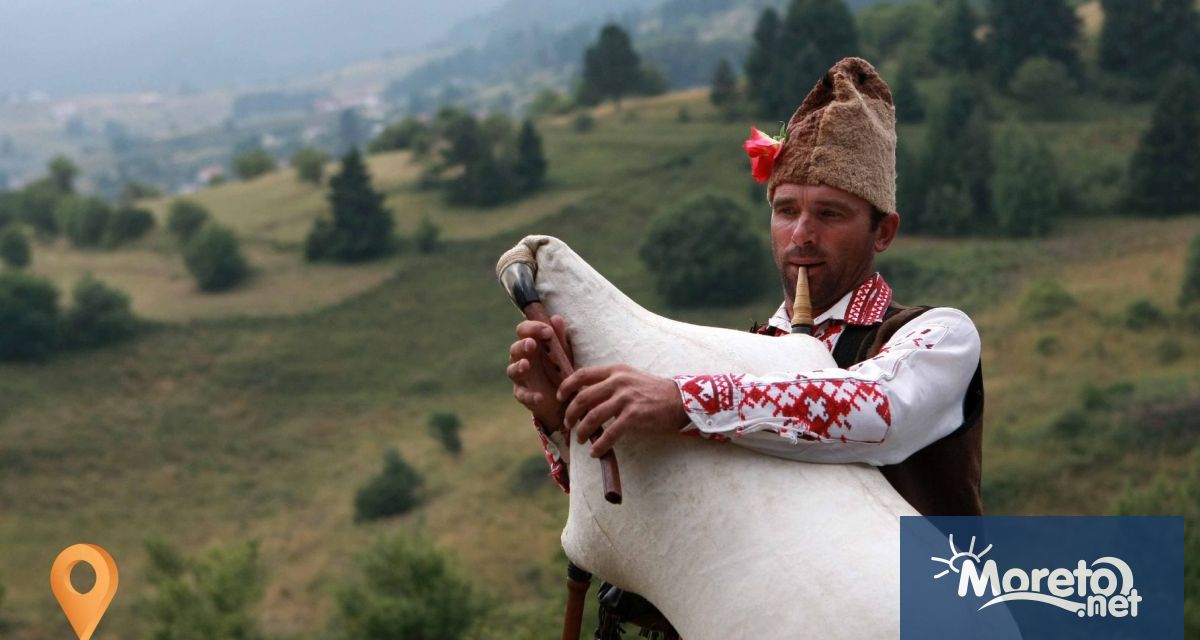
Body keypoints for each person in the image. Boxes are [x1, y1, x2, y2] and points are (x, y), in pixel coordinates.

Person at [505, 57, 983, 638]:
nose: (802, 234)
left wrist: (681, 400)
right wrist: (565, 422)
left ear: (882, 231)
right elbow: (650, 508)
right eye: (786, 211)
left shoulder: (935, 337)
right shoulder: (738, 358)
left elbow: (876, 411)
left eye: (830, 213)